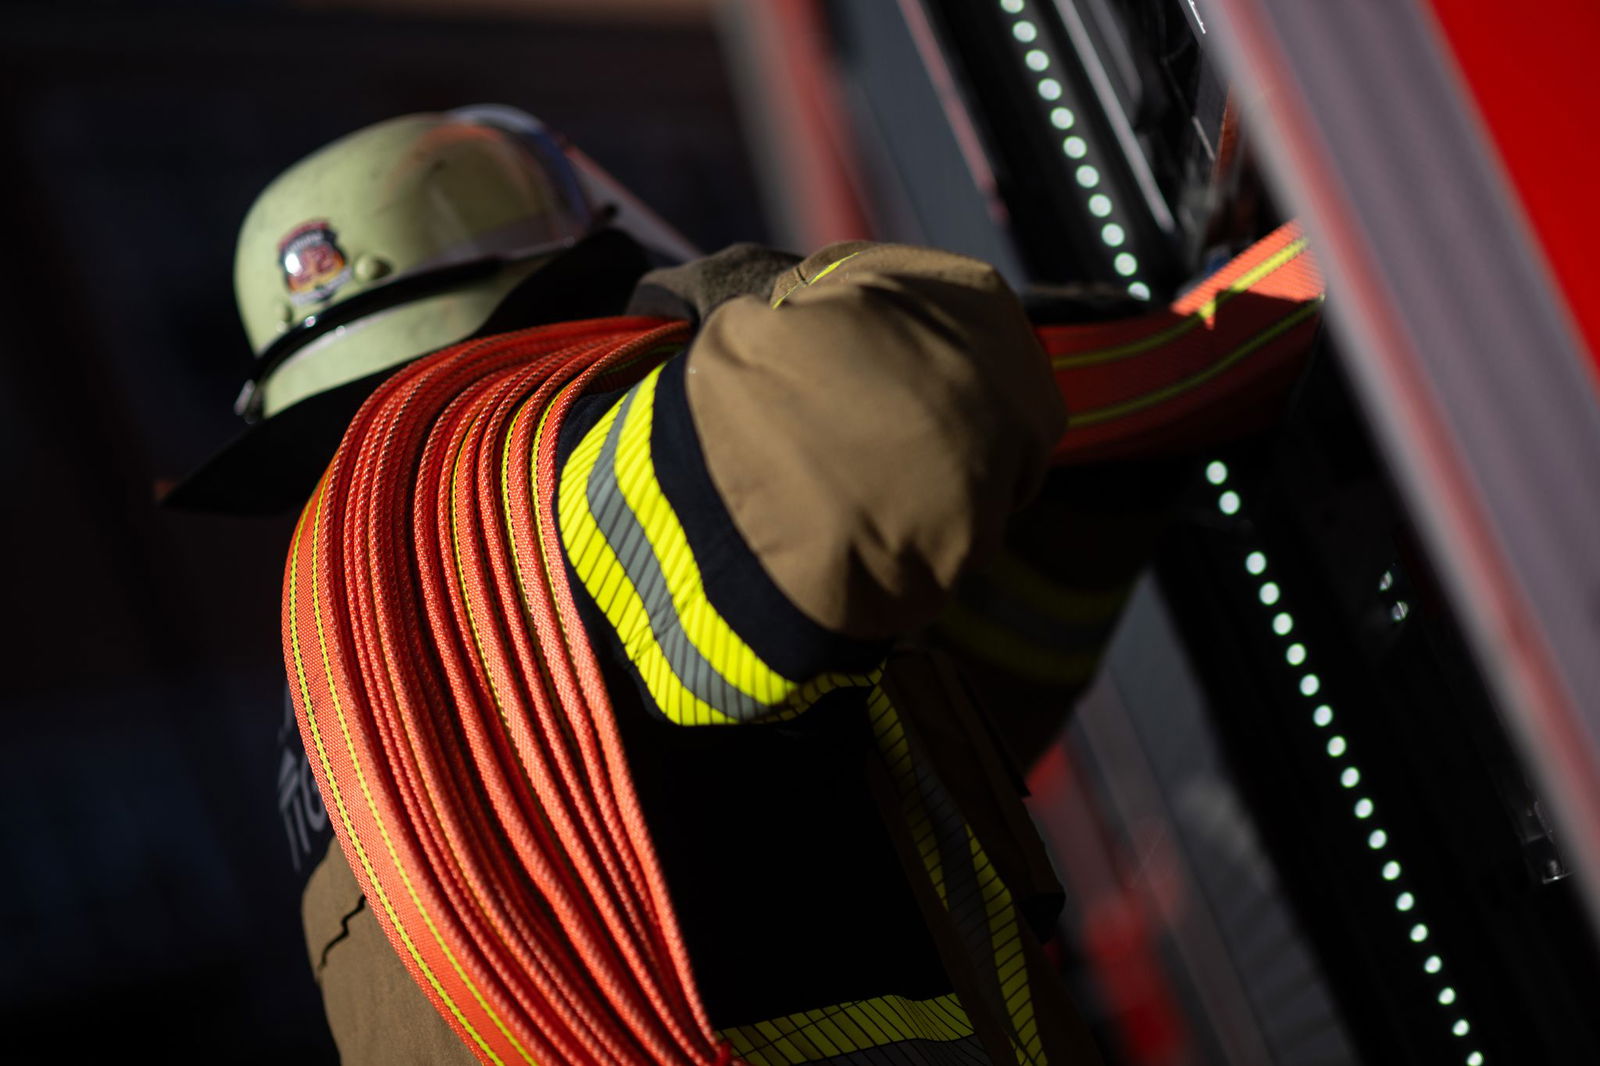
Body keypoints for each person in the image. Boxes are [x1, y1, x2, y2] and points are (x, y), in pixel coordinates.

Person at [169, 105, 1107, 1066]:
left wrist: (1084, 526)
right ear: (570, 280)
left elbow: (857, 748)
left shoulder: (337, 701)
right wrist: (756, 297)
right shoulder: (561, 496)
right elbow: (907, 403)